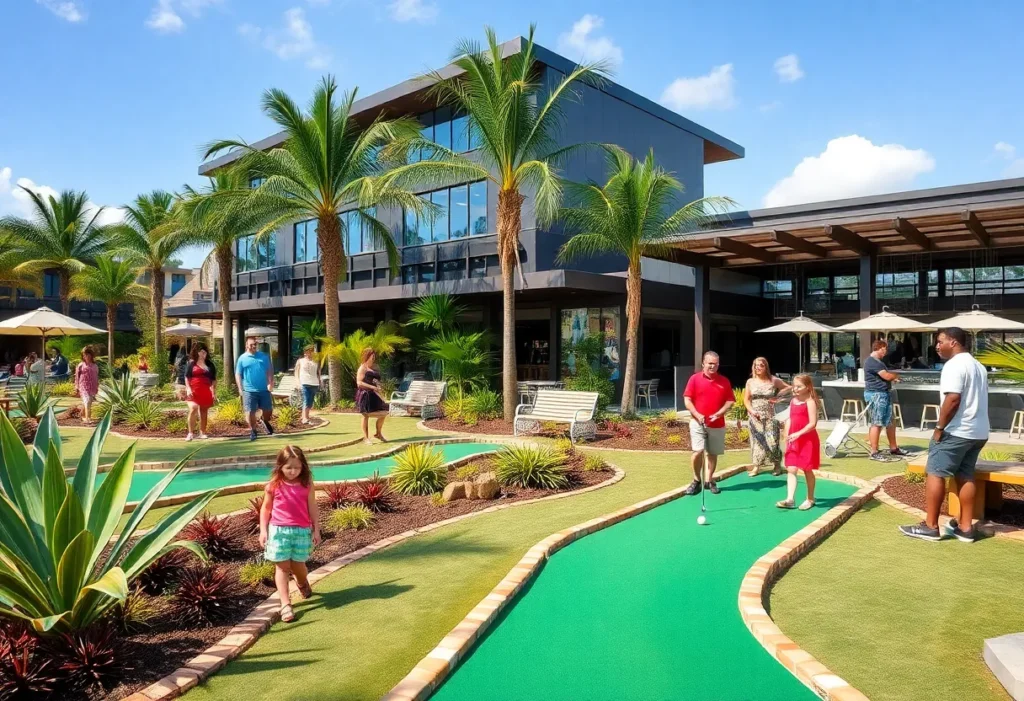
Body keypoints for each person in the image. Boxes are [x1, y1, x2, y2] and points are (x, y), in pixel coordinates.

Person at [899, 327, 989, 543]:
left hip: (956, 431)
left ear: (954, 342)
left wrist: (939, 428)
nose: (936, 346)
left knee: (935, 473)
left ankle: (931, 526)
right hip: (977, 432)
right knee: (965, 475)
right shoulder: (978, 366)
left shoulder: (954, 365)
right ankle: (966, 528)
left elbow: (953, 399)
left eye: (940, 341)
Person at [259, 445, 320, 623]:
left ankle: (301, 583)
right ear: (280, 467)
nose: (293, 471)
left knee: (298, 565)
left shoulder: (306, 485)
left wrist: (316, 529)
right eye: (288, 468)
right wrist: (263, 530)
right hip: (279, 531)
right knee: (282, 567)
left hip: (301, 530)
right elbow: (266, 509)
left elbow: (312, 507)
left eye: (297, 467)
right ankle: (285, 603)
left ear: (303, 467)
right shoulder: (272, 486)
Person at [682, 351, 734, 495]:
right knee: (698, 451)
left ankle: (709, 480)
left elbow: (730, 400)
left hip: (717, 423)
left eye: (716, 364)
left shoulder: (724, 381)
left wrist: (720, 413)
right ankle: (696, 480)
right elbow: (687, 400)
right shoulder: (694, 379)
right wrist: (697, 414)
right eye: (710, 363)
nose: (713, 366)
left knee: (712, 454)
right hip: (697, 422)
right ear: (703, 363)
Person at [777, 374, 821, 510]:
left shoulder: (810, 401)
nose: (795, 389)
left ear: (807, 387)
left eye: (799, 386)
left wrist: (798, 433)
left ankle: (810, 498)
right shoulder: (793, 401)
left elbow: (812, 424)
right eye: (794, 385)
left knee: (807, 469)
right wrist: (787, 434)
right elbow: (790, 418)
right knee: (791, 468)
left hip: (807, 440)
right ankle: (790, 499)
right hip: (794, 439)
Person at [742, 357, 791, 476]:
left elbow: (789, 388)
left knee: (772, 440)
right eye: (756, 365)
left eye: (761, 365)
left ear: (766, 367)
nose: (758, 367)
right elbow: (747, 400)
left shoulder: (773, 380)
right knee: (757, 441)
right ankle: (756, 466)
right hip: (755, 416)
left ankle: (777, 464)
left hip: (770, 415)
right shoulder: (750, 382)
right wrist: (752, 411)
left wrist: (778, 398)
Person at [864, 339, 907, 461]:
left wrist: (893, 377)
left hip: (884, 393)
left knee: (890, 422)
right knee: (877, 422)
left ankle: (893, 448)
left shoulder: (879, 362)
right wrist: (896, 376)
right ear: (879, 348)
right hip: (876, 394)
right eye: (884, 349)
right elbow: (886, 376)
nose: (886, 352)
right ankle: (874, 451)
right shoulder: (872, 362)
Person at [236, 335, 275, 441]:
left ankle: (264, 420)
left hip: (264, 389)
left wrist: (270, 382)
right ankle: (253, 430)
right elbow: (238, 374)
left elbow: (270, 370)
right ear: (246, 345)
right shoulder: (242, 358)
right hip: (249, 390)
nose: (254, 346)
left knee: (268, 410)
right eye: (251, 344)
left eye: (255, 344)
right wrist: (240, 388)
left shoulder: (264, 357)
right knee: (250, 411)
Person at [355, 348, 388, 445]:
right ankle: (366, 437)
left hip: (375, 394)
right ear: (367, 355)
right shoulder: (363, 367)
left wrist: (379, 387)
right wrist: (372, 387)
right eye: (371, 355)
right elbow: (359, 383)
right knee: (365, 415)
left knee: (384, 412)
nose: (373, 356)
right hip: (365, 395)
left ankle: (378, 433)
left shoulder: (374, 367)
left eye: (374, 355)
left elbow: (376, 380)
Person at [185, 343, 217, 441]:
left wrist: (213, 392)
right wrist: (188, 388)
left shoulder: (210, 365)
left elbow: (214, 380)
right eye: (201, 352)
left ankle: (202, 432)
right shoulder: (192, 364)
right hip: (193, 391)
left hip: (205, 390)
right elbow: (187, 377)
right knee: (193, 408)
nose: (203, 354)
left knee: (204, 411)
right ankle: (190, 433)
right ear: (197, 353)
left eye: (205, 352)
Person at [294, 345, 320, 425]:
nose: (311, 352)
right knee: (306, 399)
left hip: (314, 383)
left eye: (312, 351)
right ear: (305, 352)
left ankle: (306, 416)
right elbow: (296, 372)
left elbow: (318, 373)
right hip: (304, 382)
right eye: (310, 351)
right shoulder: (300, 361)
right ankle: (304, 418)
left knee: (310, 401)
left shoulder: (316, 361)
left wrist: (319, 382)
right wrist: (297, 382)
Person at [74, 346, 100, 425]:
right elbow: (77, 377)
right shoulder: (81, 365)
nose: (86, 357)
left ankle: (82, 415)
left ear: (91, 356)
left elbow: (96, 377)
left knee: (89, 402)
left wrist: (97, 386)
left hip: (92, 387)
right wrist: (76, 387)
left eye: (88, 355)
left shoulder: (95, 366)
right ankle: (88, 419)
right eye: (85, 355)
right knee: (87, 401)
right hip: (83, 386)